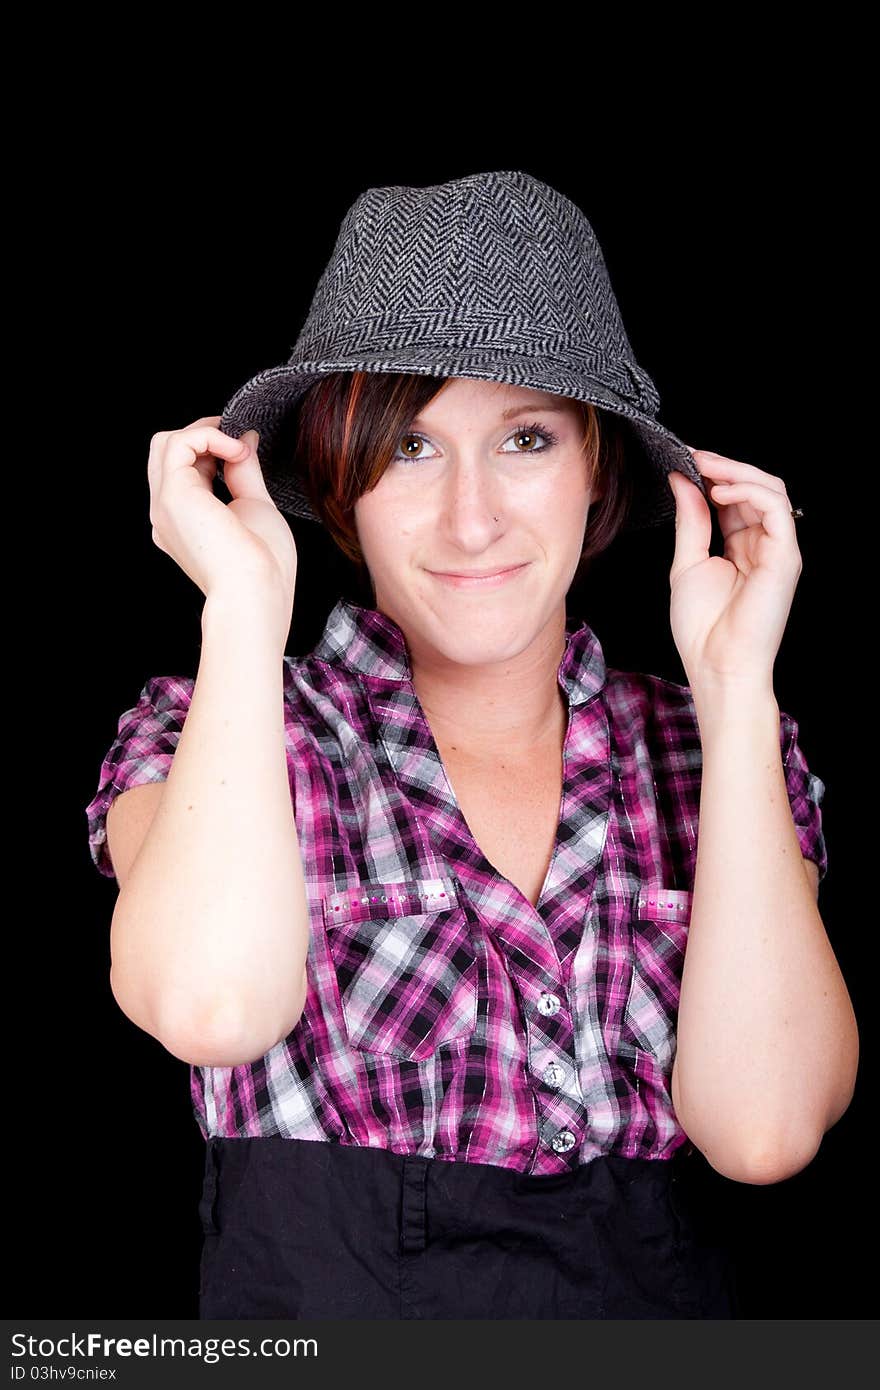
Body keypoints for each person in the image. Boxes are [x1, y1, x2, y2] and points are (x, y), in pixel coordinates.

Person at [84, 172, 857, 1320]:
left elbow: (764, 1128)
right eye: (407, 447)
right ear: (337, 479)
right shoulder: (220, 732)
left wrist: (736, 691)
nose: (472, 519)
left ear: (597, 466)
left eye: (526, 439)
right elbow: (207, 1005)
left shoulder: (711, 757)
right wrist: (243, 605)